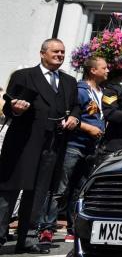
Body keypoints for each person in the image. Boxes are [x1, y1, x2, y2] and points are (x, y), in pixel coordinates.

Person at [0, 38, 80, 254]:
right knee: (9, 189)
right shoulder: (24, 76)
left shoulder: (69, 82)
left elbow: (75, 107)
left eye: (63, 52)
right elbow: (9, 107)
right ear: (42, 53)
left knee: (38, 192)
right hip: (23, 142)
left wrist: (74, 118)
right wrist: (16, 108)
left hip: (52, 144)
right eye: (55, 52)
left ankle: (27, 237)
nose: (60, 55)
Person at [38, 56, 107, 242]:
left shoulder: (102, 91)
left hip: (92, 147)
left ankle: (73, 227)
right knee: (60, 187)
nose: (108, 70)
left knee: (80, 189)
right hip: (74, 145)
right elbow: (70, 116)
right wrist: (88, 127)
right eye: (104, 67)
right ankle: (46, 227)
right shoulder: (80, 90)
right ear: (93, 70)